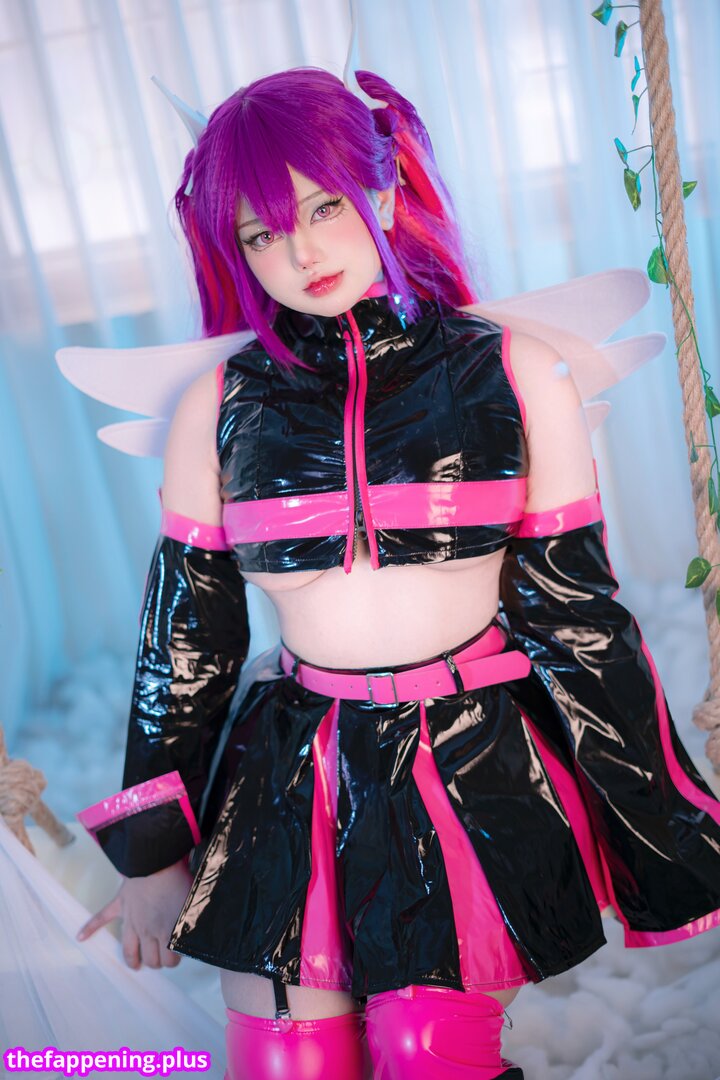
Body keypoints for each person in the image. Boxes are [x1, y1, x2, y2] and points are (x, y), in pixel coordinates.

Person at [73, 67, 720, 1080]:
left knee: (426, 1053)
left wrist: (662, 824)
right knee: (290, 1063)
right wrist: (152, 854)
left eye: (323, 207)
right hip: (294, 772)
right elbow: (185, 643)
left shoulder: (514, 371)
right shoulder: (219, 405)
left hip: (471, 759)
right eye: (260, 233)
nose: (300, 252)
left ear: (380, 189)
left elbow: (576, 618)